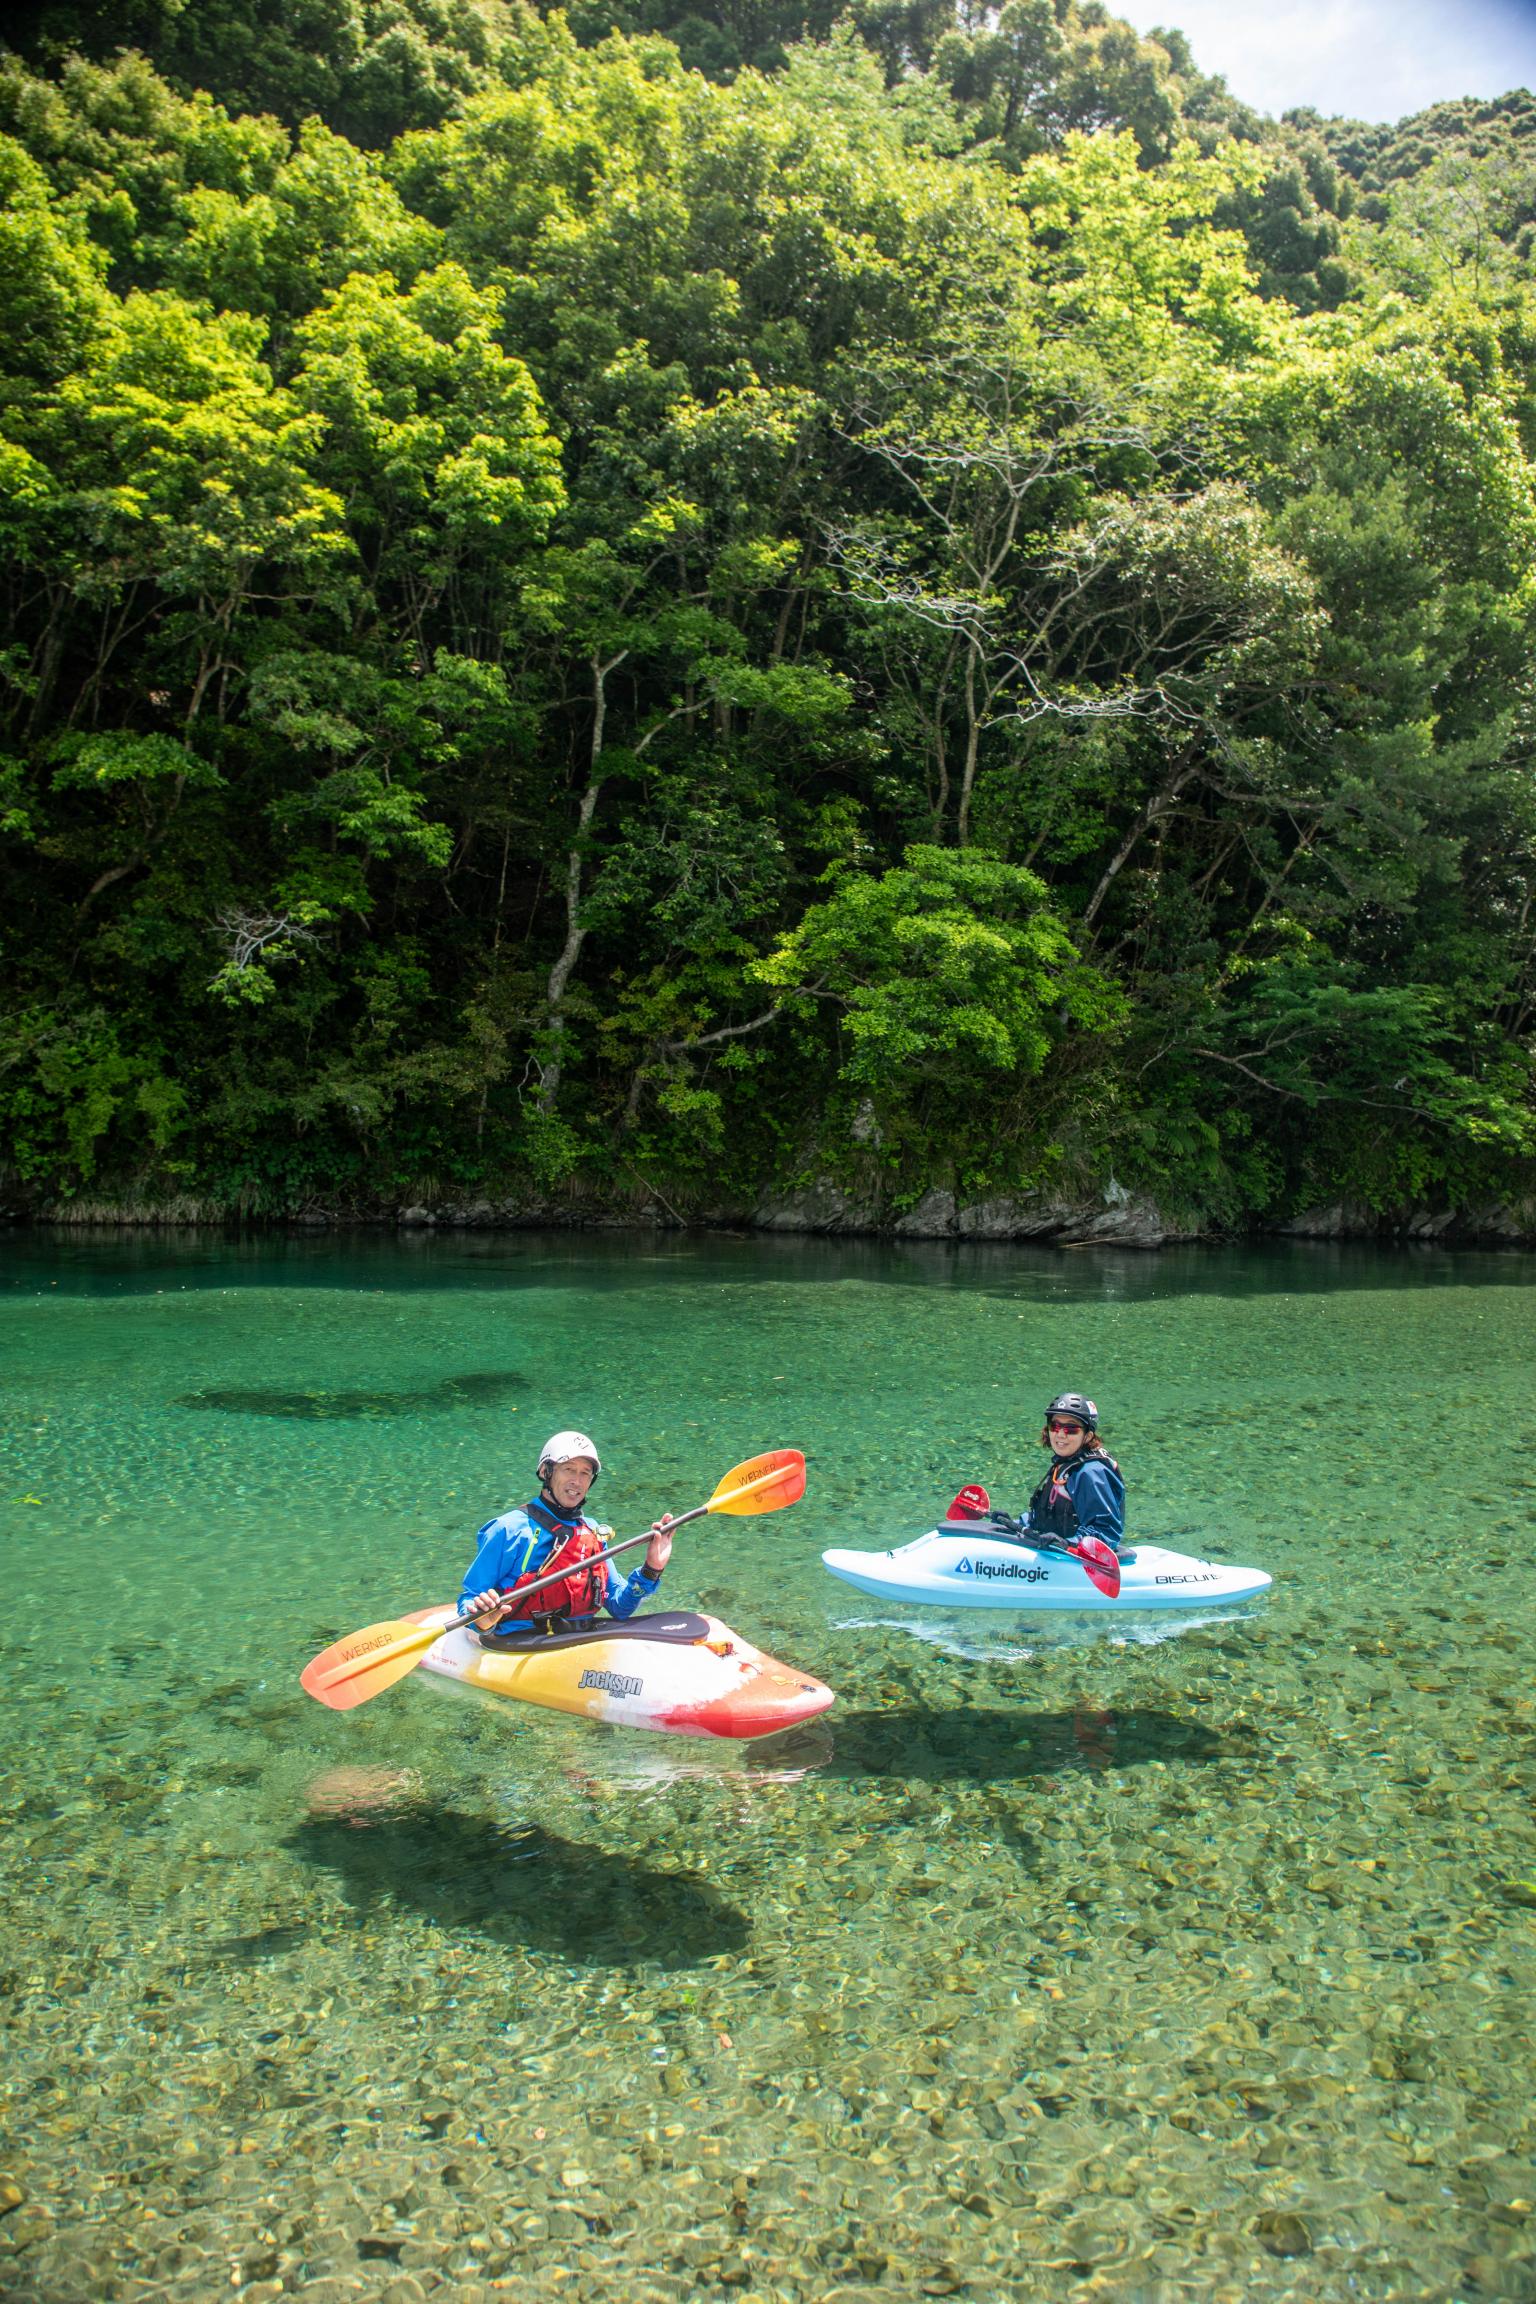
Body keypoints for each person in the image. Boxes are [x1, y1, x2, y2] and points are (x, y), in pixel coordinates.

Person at [460, 1430, 674, 1641]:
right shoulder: (508, 1529)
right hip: (519, 1644)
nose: (577, 1481)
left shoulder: (591, 1531)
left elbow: (620, 1608)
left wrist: (651, 1570)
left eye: (585, 1473)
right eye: (569, 1469)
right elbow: (468, 1601)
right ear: (546, 1472)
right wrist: (482, 1621)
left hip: (579, 1641)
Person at [1022, 1392, 1125, 1557]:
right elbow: (1049, 1517)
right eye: (1055, 1426)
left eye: (1071, 1429)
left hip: (1072, 1561)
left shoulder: (1089, 1473)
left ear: (1088, 1436)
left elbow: (1107, 1532)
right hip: (1054, 1554)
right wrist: (1015, 1523)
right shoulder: (1065, 1465)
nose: (1061, 1434)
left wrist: (1068, 1543)